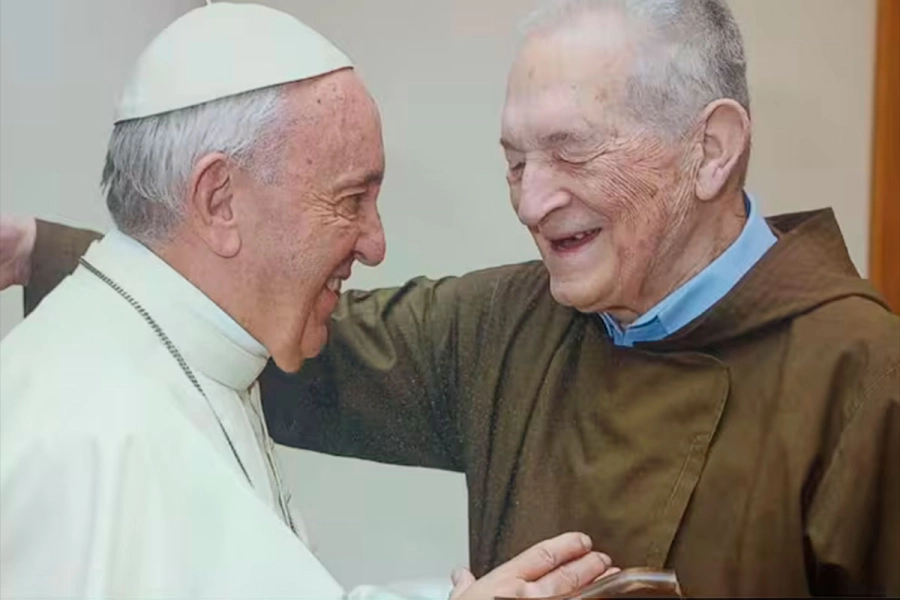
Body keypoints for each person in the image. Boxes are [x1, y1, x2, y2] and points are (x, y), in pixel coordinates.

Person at [3, 0, 898, 597]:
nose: (532, 201)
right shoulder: (513, 324)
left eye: (571, 152)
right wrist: (54, 254)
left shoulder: (866, 379)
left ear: (712, 152)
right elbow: (284, 328)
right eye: (514, 160)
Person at [0, 3, 617, 599]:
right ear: (219, 202)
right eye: (350, 200)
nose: (375, 245)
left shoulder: (192, 352)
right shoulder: (81, 439)